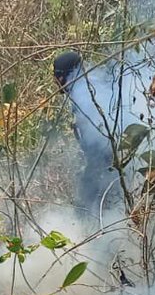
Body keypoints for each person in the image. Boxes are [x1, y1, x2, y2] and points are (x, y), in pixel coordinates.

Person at [52, 51, 122, 216]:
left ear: (63, 76)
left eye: (56, 75)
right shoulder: (84, 87)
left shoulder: (85, 92)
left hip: (109, 162)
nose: (54, 81)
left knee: (94, 200)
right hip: (108, 161)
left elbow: (102, 143)